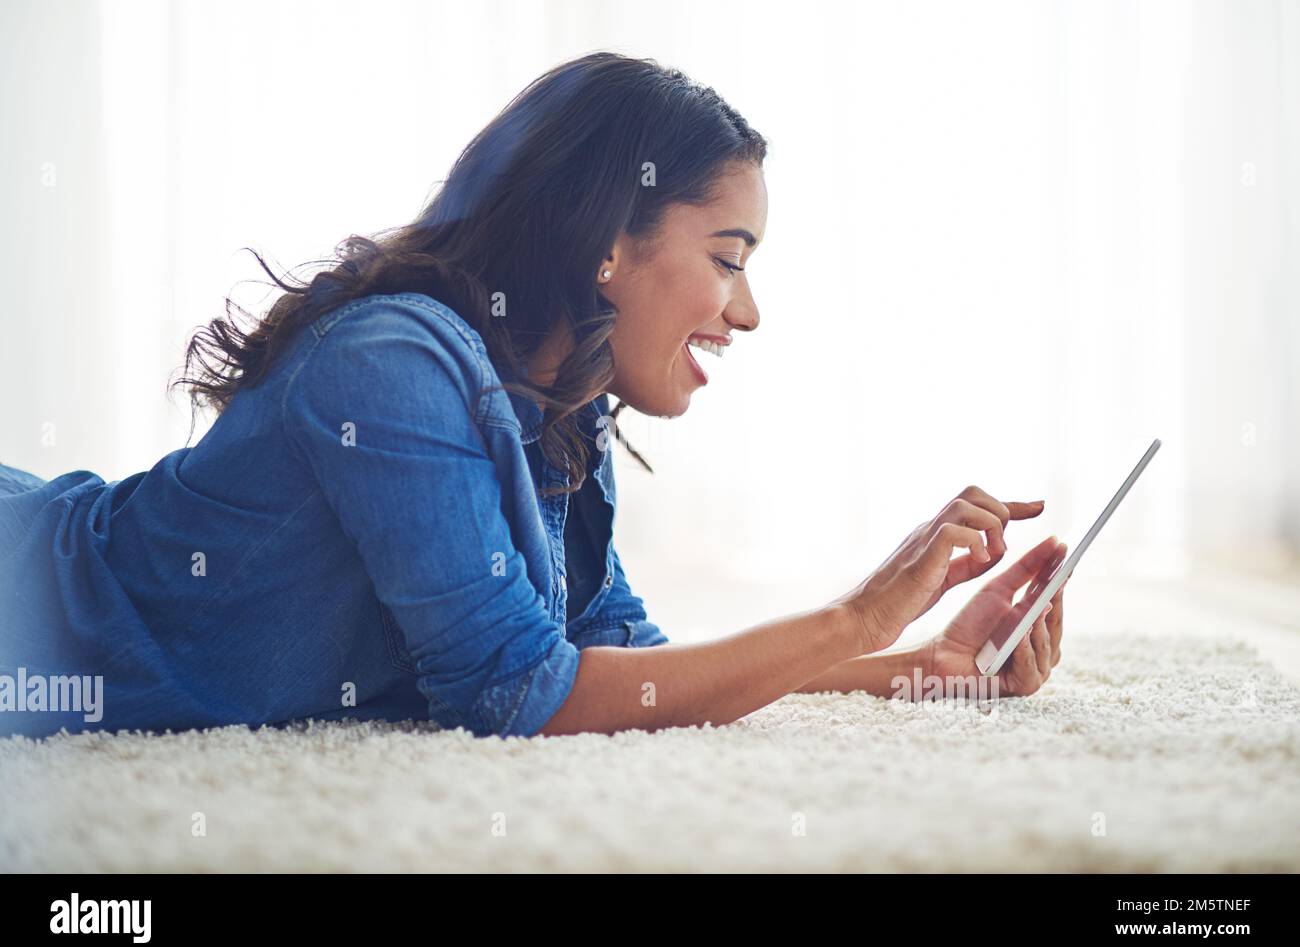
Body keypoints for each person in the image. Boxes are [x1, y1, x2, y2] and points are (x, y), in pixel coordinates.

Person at [0, 52, 1068, 741]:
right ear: (609, 242)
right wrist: (856, 615)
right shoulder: (394, 368)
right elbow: (516, 693)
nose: (745, 315)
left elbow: (627, 674)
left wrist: (914, 666)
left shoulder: (562, 397)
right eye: (729, 258)